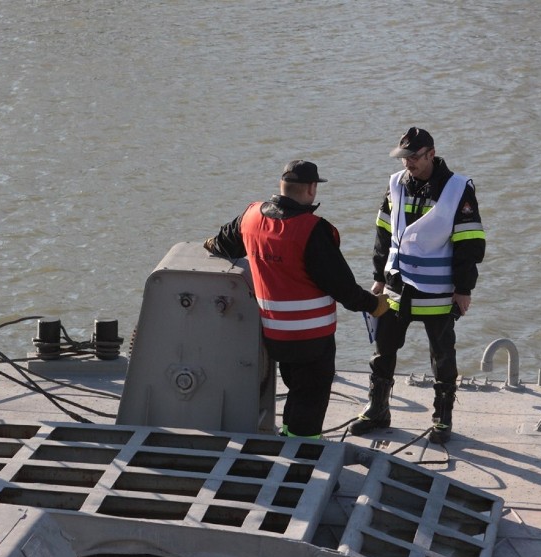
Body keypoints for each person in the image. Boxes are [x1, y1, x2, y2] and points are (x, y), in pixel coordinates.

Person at [204, 160, 389, 438]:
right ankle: (302, 460)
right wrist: (374, 305)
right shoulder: (312, 230)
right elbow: (342, 287)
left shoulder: (252, 217)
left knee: (297, 390)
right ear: (312, 189)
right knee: (310, 401)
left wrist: (207, 243)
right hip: (312, 338)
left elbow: (220, 242)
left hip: (274, 335)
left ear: (282, 186)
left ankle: (288, 438)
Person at [349, 127, 485, 443]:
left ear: (431, 154)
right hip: (396, 287)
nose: (407, 164)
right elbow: (384, 233)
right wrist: (378, 278)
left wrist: (464, 289)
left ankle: (442, 419)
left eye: (413, 158)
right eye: (404, 158)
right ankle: (377, 409)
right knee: (383, 350)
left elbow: (470, 242)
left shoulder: (457, 189)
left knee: (442, 354)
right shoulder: (396, 184)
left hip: (438, 291)